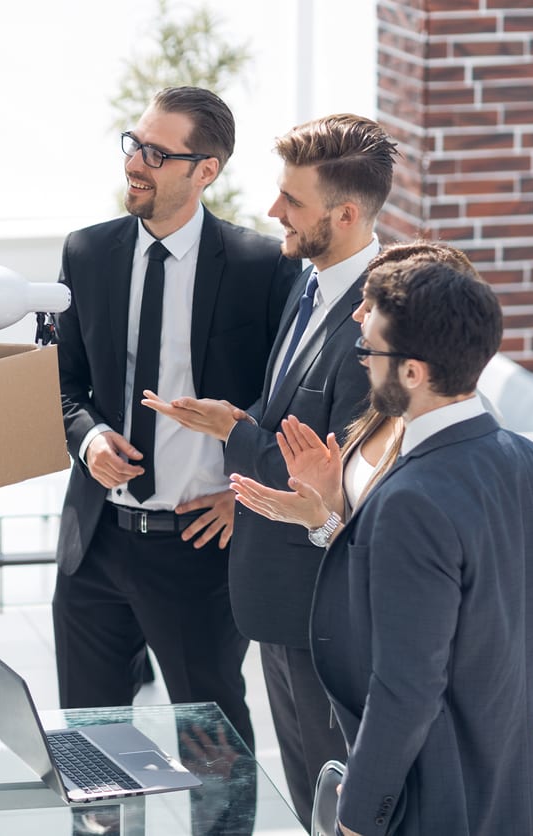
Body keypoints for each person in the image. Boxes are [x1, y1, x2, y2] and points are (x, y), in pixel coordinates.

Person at [142, 113, 400, 825]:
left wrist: (234, 430)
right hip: (281, 601)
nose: (271, 212)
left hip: (324, 611)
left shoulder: (379, 317)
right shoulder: (309, 282)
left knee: (334, 802)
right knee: (310, 792)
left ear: (345, 214)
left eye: (292, 200)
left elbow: (328, 468)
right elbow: (283, 404)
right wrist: (240, 419)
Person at [53, 85, 299, 756]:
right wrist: (91, 438)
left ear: (205, 170)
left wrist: (247, 498)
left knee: (212, 748)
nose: (137, 162)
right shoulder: (86, 254)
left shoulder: (260, 269)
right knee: (92, 745)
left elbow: (291, 404)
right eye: (135, 145)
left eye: (158, 154)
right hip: (96, 540)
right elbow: (63, 383)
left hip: (197, 547)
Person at [312, 262, 533, 835]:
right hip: (514, 787)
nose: (363, 362)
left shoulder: (410, 501)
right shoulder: (531, 463)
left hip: (432, 801)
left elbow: (406, 685)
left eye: (370, 352)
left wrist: (358, 812)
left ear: (413, 371)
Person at [227, 243, 480, 538]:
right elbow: (362, 534)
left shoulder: (453, 437)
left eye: (370, 305)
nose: (358, 315)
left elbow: (393, 562)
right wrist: (325, 503)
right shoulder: (384, 406)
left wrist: (323, 524)